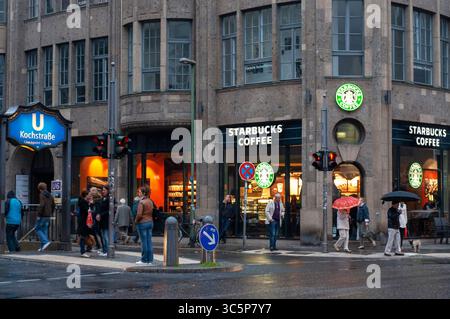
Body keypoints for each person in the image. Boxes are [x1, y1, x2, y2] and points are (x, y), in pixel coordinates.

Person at [135, 186, 154, 265]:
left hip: (142, 223)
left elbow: (139, 214)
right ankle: (150, 260)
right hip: (150, 222)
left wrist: (136, 221)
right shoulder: (150, 201)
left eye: (139, 192)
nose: (138, 193)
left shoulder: (141, 202)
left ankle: (144, 259)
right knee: (149, 241)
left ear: (143, 193)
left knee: (143, 242)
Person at [36, 183, 55, 252]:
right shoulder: (50, 195)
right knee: (44, 230)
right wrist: (51, 212)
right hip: (48, 215)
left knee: (37, 229)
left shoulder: (41, 194)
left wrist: (38, 214)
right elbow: (53, 205)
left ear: (40, 189)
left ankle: (45, 242)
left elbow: (42, 205)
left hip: (43, 215)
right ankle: (42, 247)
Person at [96, 186, 110, 257]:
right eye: (102, 190)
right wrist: (98, 214)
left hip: (106, 220)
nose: (103, 191)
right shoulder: (102, 199)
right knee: (103, 236)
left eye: (104, 190)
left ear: (108, 191)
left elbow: (109, 210)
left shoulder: (109, 199)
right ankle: (104, 251)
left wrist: (100, 215)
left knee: (105, 236)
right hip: (101, 220)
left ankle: (107, 251)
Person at [77, 190, 91, 258]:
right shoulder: (83, 202)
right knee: (83, 236)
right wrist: (90, 205)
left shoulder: (83, 202)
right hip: (83, 221)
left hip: (83, 221)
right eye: (89, 195)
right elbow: (86, 211)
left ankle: (84, 250)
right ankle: (83, 251)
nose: (90, 196)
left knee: (83, 236)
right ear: (86, 195)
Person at [89, 187, 103, 252]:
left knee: (99, 232)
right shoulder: (91, 198)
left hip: (98, 217)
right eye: (91, 190)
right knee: (94, 231)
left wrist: (92, 203)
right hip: (93, 217)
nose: (91, 192)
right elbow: (91, 208)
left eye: (93, 190)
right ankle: (98, 245)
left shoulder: (99, 199)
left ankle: (101, 246)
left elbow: (99, 208)